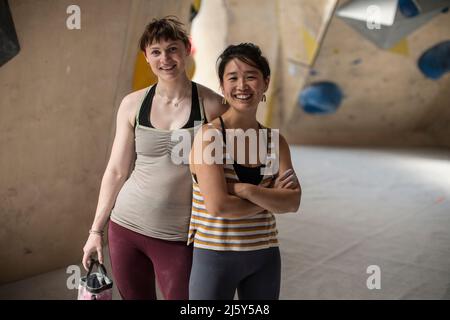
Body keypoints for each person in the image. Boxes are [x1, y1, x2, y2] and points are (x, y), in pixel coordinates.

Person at [81, 16, 228, 300]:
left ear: (187, 49)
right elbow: (116, 171)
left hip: (179, 236)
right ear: (146, 57)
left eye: (173, 49)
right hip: (125, 228)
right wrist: (95, 230)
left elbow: (228, 173)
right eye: (156, 52)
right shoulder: (133, 104)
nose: (166, 59)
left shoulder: (212, 106)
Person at [188, 43, 302, 300]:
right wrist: (271, 198)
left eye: (251, 76)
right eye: (233, 78)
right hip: (215, 256)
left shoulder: (275, 141)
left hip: (265, 255)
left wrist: (245, 189)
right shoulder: (210, 137)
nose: (242, 86)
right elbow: (219, 207)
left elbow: (293, 202)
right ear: (222, 85)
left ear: (265, 83)